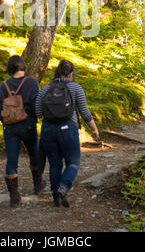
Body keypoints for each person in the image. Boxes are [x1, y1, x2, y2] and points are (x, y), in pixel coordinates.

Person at [35, 59, 99, 208]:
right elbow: (84, 111)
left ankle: (55, 198)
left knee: (55, 164)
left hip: (47, 130)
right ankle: (63, 187)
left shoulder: (45, 89)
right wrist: (94, 129)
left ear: (57, 72)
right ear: (71, 73)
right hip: (68, 130)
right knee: (73, 162)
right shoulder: (76, 88)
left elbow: (38, 112)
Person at [0, 55, 46, 206]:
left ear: (10, 68)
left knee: (11, 160)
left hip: (10, 127)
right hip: (28, 125)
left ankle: (14, 196)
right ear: (23, 66)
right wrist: (36, 117)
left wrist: (7, 120)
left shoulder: (4, 85)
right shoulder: (32, 82)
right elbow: (38, 104)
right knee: (34, 154)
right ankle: (38, 185)